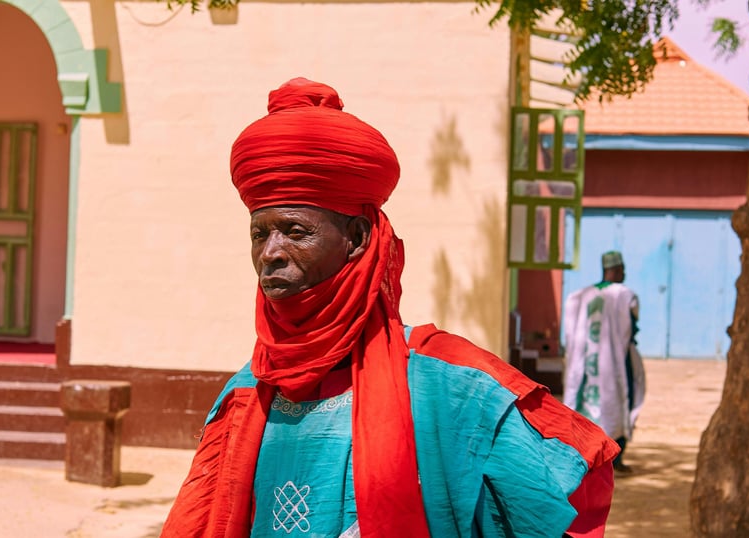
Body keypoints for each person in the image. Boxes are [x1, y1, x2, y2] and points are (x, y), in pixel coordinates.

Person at [161, 77, 620, 538]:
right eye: (260, 234)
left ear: (358, 238)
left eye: (295, 231)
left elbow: (563, 492)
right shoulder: (244, 395)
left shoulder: (451, 382)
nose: (271, 252)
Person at [562, 251, 646, 475]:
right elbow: (633, 326)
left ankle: (587, 457)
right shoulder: (624, 294)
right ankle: (614, 460)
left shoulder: (579, 296)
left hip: (585, 363)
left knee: (585, 406)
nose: (624, 274)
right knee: (620, 402)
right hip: (616, 362)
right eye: (623, 270)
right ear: (617, 270)